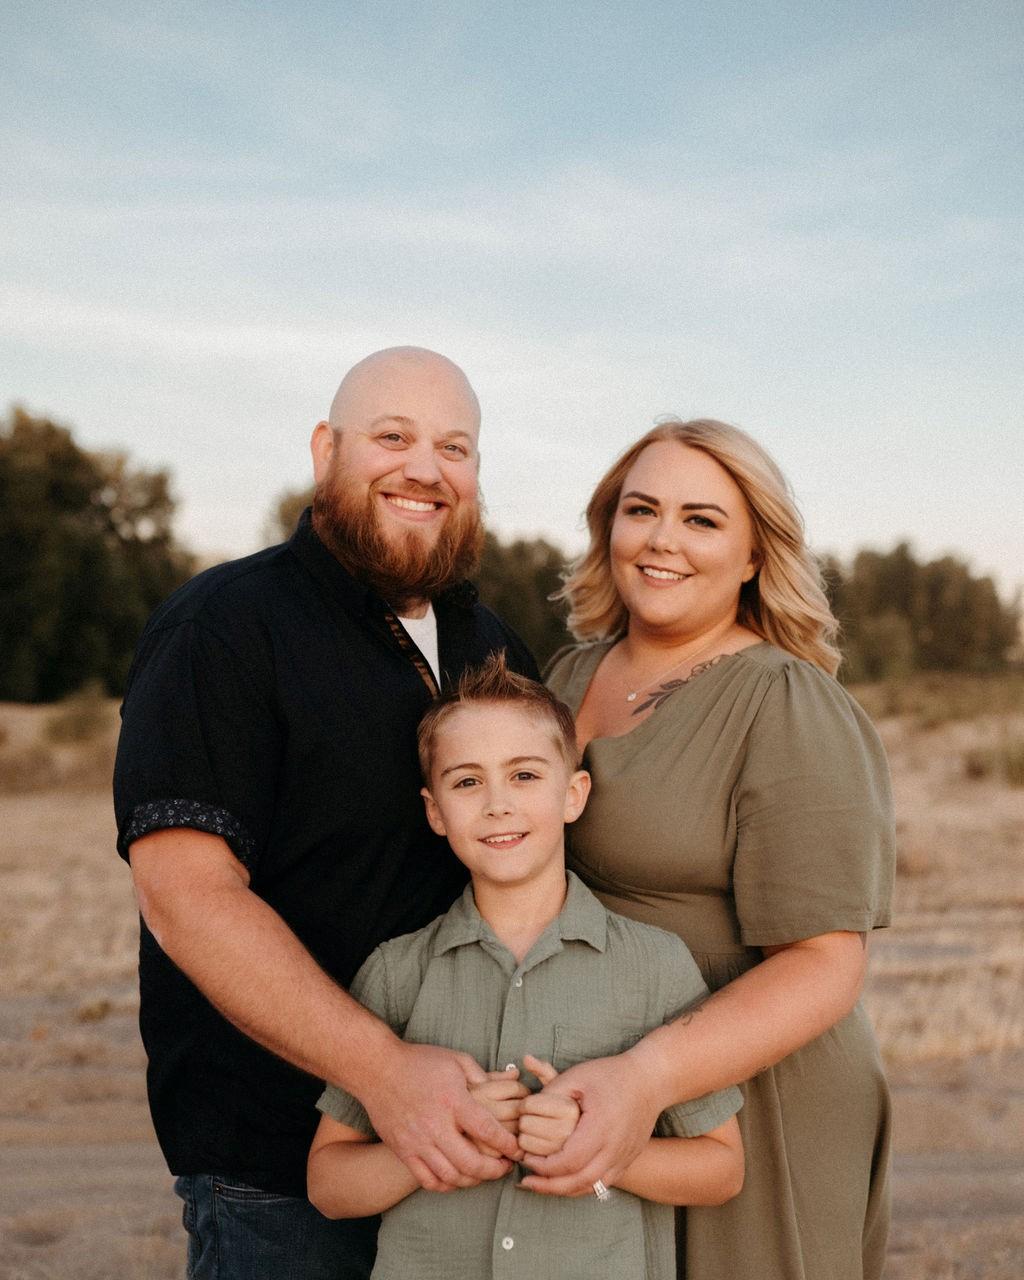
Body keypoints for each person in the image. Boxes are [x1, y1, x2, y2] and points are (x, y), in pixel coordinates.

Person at [113, 347, 539, 1280]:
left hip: (477, 1161)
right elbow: (186, 896)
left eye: (455, 448)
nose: (425, 469)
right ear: (325, 450)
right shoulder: (222, 628)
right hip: (280, 1181)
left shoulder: (492, 645)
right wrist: (386, 1076)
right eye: (393, 437)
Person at [541, 418, 895, 1280]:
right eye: (641, 510)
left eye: (702, 520)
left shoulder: (784, 701)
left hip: (757, 1098)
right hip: (598, 1086)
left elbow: (822, 964)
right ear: (608, 529)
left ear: (752, 557)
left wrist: (648, 1078)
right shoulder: (562, 680)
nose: (663, 540)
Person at [307, 655, 744, 1280]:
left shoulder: (656, 966)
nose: (496, 805)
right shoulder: (394, 973)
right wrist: (437, 1140)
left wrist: (601, 1151)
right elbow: (329, 1182)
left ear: (574, 794)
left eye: (524, 776)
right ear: (435, 812)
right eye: (466, 783)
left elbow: (722, 1169)